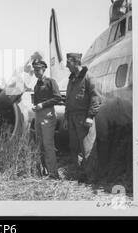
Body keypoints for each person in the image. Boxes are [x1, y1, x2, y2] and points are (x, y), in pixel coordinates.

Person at [63, 53, 102, 182]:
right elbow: (68, 100)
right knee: (75, 148)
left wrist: (90, 116)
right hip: (72, 118)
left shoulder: (88, 77)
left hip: (84, 118)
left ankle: (92, 178)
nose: (67, 65)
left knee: (88, 148)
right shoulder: (72, 79)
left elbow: (96, 97)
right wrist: (66, 118)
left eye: (68, 63)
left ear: (75, 62)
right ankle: (81, 176)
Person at [31, 60, 62, 179]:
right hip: (38, 115)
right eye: (34, 70)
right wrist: (36, 106)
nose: (36, 72)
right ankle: (44, 170)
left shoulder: (50, 82)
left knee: (48, 144)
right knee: (39, 144)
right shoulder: (36, 85)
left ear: (44, 69)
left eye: (38, 70)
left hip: (47, 115)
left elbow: (57, 98)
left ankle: (53, 173)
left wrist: (42, 105)